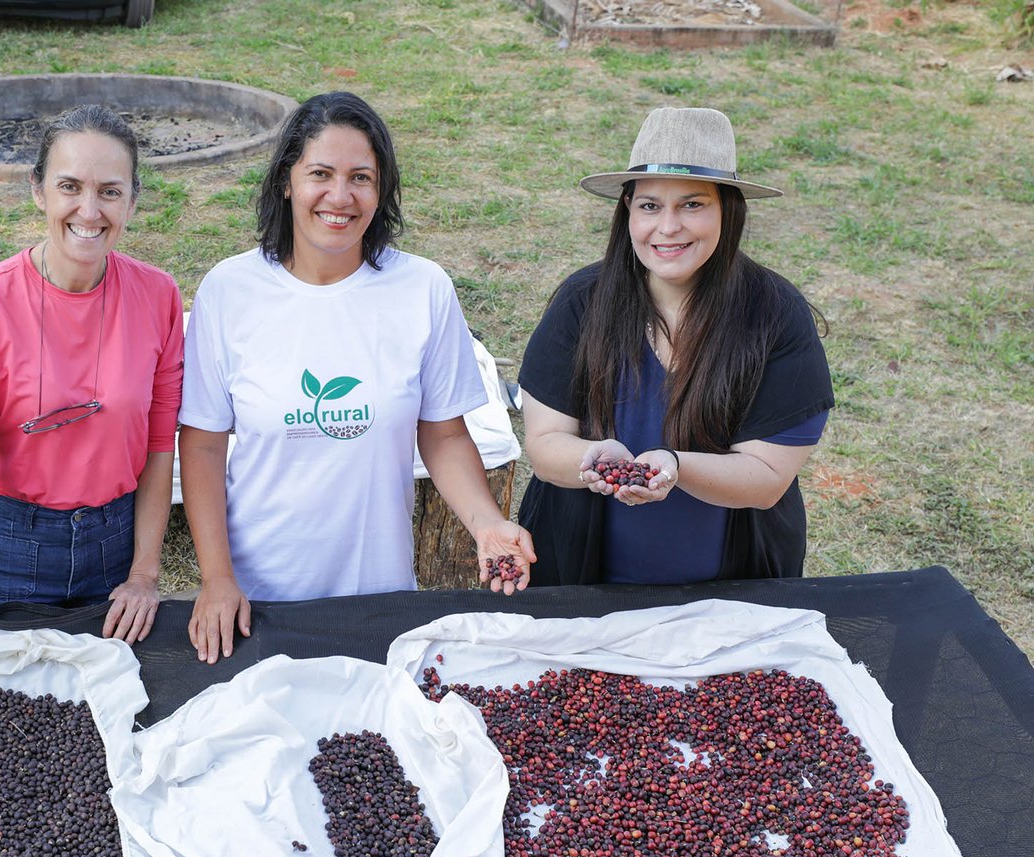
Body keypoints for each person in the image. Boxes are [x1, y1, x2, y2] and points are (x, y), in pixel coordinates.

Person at [179, 91, 535, 665]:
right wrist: (217, 577)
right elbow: (200, 445)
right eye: (320, 173)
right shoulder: (229, 291)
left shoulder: (422, 290)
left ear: (381, 189)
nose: (340, 197)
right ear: (287, 181)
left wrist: (489, 524)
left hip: (380, 600)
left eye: (361, 177)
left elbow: (443, 435)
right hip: (258, 603)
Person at [0, 105, 184, 642]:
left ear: (133, 201)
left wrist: (144, 572)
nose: (89, 210)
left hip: (114, 541)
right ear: (38, 190)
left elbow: (160, 440)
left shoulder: (158, 296)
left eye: (111, 191)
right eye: (70, 186)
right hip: (7, 541)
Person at [518, 107, 834, 586]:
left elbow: (768, 478)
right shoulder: (582, 302)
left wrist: (675, 466)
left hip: (729, 594)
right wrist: (596, 458)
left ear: (727, 210)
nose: (667, 227)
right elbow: (544, 448)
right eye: (649, 206)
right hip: (581, 589)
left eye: (692, 204)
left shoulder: (776, 315)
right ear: (627, 210)